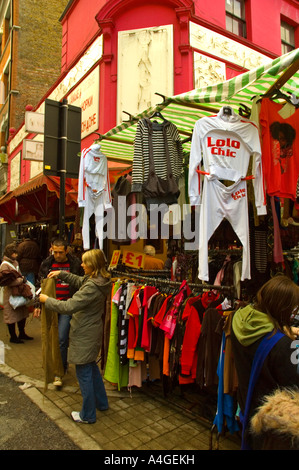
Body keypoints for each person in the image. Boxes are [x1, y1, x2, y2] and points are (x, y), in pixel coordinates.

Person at [37, 249, 110, 424]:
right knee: (91, 367)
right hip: (90, 331)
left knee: (83, 372)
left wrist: (46, 300)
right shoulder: (98, 280)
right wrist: (61, 274)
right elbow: (79, 281)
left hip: (85, 333)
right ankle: (102, 403)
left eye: (85, 262)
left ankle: (87, 415)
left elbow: (69, 306)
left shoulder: (93, 286)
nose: (81, 265)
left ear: (92, 265)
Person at [231, 274, 299, 450]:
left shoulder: (238, 319)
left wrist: (284, 330)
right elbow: (294, 388)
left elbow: (263, 332)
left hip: (247, 406)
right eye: (293, 308)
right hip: (271, 424)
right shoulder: (284, 347)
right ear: (283, 308)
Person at [38, 238, 83, 386]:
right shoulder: (47, 263)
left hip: (66, 305)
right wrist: (37, 305)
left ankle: (59, 371)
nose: (57, 255)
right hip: (50, 305)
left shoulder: (75, 264)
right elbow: (42, 285)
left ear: (66, 250)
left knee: (62, 338)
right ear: (51, 249)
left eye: (60, 252)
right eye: (54, 252)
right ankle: (52, 366)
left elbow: (80, 284)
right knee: (49, 336)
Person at [0, 243, 32, 343]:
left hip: (19, 291)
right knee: (11, 315)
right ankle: (13, 336)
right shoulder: (4, 265)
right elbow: (7, 281)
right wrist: (21, 281)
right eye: (14, 253)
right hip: (10, 293)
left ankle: (22, 333)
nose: (16, 255)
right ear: (10, 253)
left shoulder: (15, 262)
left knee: (21, 313)